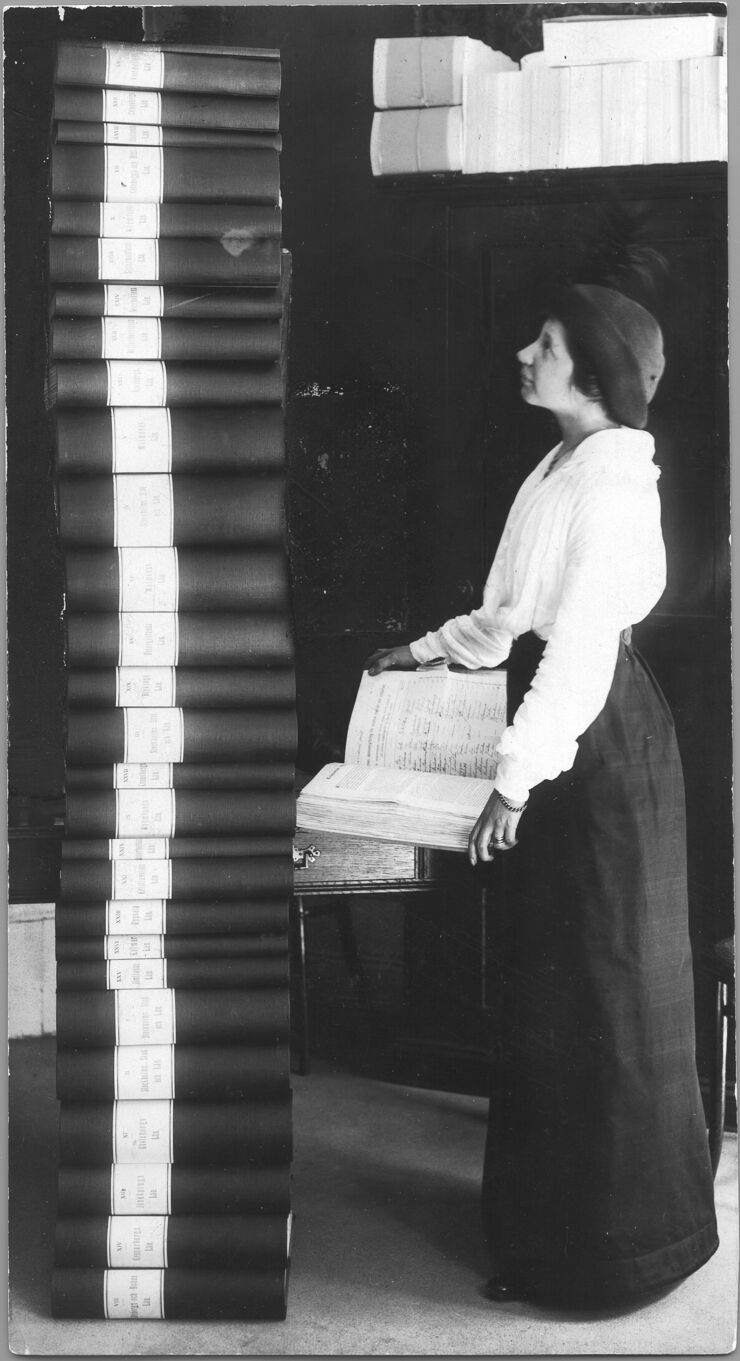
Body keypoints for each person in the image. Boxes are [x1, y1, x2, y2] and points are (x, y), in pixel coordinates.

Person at [366, 283, 718, 1308]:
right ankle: (544, 1235)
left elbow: (573, 650)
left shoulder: (611, 489)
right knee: (552, 986)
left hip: (597, 745)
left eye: (547, 344)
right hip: (562, 729)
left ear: (595, 376)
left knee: (598, 988)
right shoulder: (557, 464)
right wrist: (429, 648)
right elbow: (513, 609)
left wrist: (513, 779)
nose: (523, 352)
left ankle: (610, 1256)